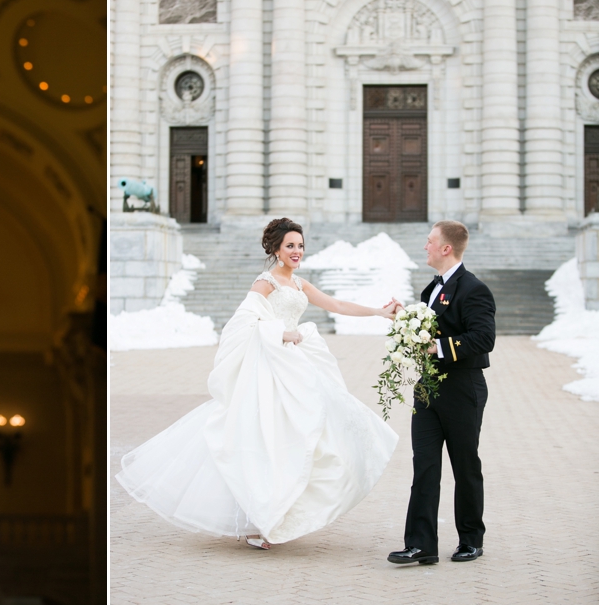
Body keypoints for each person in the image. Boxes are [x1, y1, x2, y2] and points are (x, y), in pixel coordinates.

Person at [115, 218, 400, 548]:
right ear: (277, 249)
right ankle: (257, 522)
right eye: (290, 245)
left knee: (304, 434)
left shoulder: (300, 284)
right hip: (270, 366)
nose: (297, 251)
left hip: (296, 366)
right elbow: (241, 324)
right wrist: (279, 332)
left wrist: (380, 313)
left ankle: (277, 512)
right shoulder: (265, 283)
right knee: (265, 438)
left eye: (301, 246)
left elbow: (336, 305)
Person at [388, 220, 495, 566]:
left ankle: (470, 539)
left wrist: (438, 347)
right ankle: (421, 543)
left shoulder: (474, 289)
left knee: (465, 466)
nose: (426, 246)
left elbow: (483, 338)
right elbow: (429, 328)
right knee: (425, 466)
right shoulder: (430, 290)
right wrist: (405, 322)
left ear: (446, 248)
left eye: (430, 241)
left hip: (463, 388)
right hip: (428, 388)